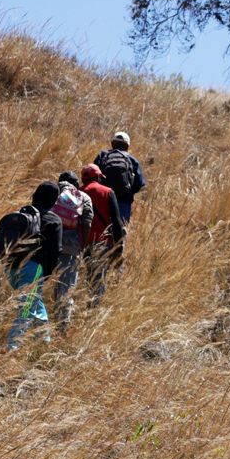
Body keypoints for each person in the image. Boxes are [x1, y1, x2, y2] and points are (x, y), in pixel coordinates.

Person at [1, 181, 62, 350]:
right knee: (26, 309)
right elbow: (56, 251)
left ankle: (44, 343)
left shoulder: (22, 214)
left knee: (34, 301)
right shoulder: (53, 219)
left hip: (11, 267)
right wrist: (47, 274)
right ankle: (11, 348)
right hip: (33, 270)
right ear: (54, 200)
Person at [49, 171, 93, 329]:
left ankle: (28, 319)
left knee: (34, 288)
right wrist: (83, 245)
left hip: (46, 247)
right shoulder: (83, 197)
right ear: (76, 184)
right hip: (70, 248)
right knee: (66, 289)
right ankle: (62, 327)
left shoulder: (50, 190)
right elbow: (87, 223)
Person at [79, 163, 125, 305]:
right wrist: (119, 246)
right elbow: (116, 222)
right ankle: (94, 311)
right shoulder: (107, 192)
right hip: (102, 242)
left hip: (83, 242)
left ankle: (89, 304)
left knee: (89, 276)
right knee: (99, 279)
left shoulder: (77, 193)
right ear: (99, 176)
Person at [94, 131, 145, 224]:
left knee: (102, 228)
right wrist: (128, 191)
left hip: (104, 199)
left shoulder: (102, 156)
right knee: (120, 231)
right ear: (127, 145)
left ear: (112, 143)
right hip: (124, 201)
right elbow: (139, 183)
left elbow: (93, 177)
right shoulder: (132, 159)